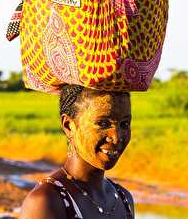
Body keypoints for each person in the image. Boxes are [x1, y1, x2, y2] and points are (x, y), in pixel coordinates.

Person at [19, 84, 134, 219]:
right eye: (103, 124)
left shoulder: (123, 198)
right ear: (69, 126)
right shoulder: (46, 201)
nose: (116, 137)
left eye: (124, 124)